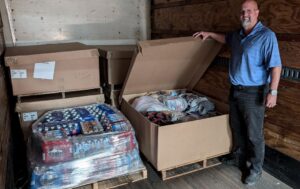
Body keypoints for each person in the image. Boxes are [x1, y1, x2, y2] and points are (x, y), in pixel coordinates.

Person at [193, 0, 282, 186]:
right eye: (242, 12)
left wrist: (273, 92)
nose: (245, 15)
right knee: (237, 126)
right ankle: (238, 157)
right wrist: (209, 34)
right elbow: (225, 39)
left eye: (249, 11)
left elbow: (276, 66)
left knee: (254, 134)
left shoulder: (266, 36)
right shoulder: (237, 34)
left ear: (257, 13)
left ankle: (256, 169)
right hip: (235, 90)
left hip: (254, 93)